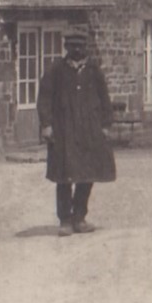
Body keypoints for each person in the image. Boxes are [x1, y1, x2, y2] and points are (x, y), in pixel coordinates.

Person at [38, 25, 115, 235]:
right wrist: (46, 125)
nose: (77, 50)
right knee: (64, 176)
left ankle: (80, 217)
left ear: (86, 47)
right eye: (73, 46)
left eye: (81, 46)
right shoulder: (56, 70)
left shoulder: (93, 70)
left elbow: (104, 98)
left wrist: (106, 125)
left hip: (89, 130)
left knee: (87, 174)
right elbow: (44, 98)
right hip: (64, 131)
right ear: (66, 47)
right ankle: (65, 220)